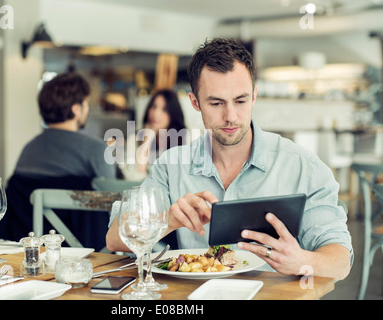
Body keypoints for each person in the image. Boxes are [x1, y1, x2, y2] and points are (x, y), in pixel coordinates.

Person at [106, 38, 352, 281]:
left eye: (241, 100)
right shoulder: (172, 165)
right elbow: (114, 238)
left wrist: (303, 260)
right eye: (216, 103)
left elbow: (340, 262)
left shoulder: (302, 166)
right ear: (195, 103)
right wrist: (167, 220)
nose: (231, 116)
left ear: (254, 96)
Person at [13, 72, 115, 180]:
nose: (87, 109)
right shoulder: (97, 150)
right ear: (76, 109)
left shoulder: (28, 150)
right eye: (86, 104)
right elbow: (111, 194)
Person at [121, 89, 186, 181]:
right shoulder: (134, 139)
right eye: (153, 107)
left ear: (173, 113)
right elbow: (133, 179)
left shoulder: (185, 139)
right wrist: (146, 143)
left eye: (164, 109)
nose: (156, 114)